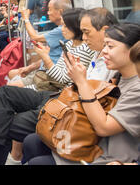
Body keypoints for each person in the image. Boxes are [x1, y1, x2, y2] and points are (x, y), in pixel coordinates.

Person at [0, 7, 120, 166]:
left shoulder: (103, 58)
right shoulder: (96, 53)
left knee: (6, 124)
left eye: (87, 32)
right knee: (6, 93)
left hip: (67, 102)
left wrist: (55, 65)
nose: (85, 37)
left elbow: (71, 83)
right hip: (62, 95)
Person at [23, 22, 140, 165]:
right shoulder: (118, 76)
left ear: (132, 50)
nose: (103, 52)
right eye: (104, 46)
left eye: (110, 46)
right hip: (92, 142)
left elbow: (104, 127)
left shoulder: (136, 90)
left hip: (106, 156)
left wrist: (82, 82)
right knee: (32, 141)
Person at [17, 8, 95, 90]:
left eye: (65, 26)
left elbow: (62, 79)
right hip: (51, 86)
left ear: (75, 27)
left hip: (62, 93)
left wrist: (46, 57)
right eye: (62, 26)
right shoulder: (69, 44)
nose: (62, 29)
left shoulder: (84, 49)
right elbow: (58, 72)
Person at [8, 0, 72, 86]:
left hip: (47, 73)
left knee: (9, 85)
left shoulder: (62, 30)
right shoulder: (60, 30)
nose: (48, 13)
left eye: (50, 9)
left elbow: (34, 37)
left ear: (60, 12)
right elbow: (50, 55)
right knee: (11, 73)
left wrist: (26, 19)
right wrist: (29, 68)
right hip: (43, 69)